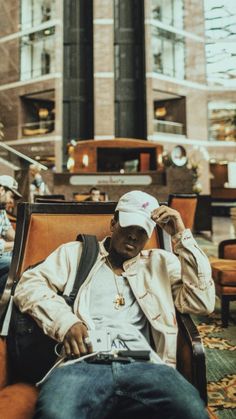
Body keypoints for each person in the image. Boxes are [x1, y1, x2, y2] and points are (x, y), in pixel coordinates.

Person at [14, 190, 215, 419]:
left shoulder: (160, 263)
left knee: (193, 412)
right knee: (55, 414)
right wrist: (66, 323)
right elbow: (28, 285)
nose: (133, 236)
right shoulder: (76, 253)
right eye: (128, 226)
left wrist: (181, 235)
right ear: (113, 224)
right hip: (82, 364)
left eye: (142, 231)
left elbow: (202, 302)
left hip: (146, 365)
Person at [0, 175, 22, 295]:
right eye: (11, 196)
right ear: (1, 190)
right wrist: (19, 244)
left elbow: (9, 232)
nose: (12, 202)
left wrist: (28, 239)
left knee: (22, 260)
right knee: (13, 263)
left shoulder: (1, 211)